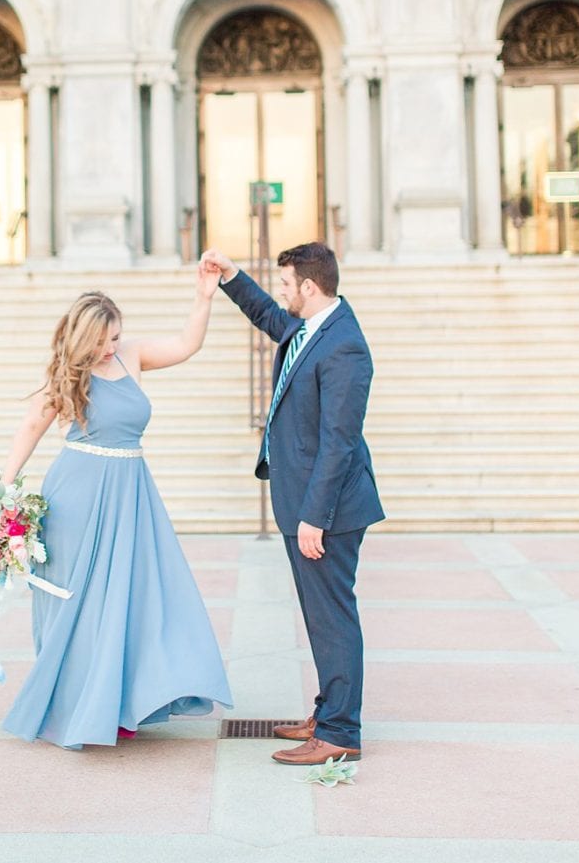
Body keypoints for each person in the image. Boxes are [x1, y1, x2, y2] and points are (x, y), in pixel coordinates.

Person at [0, 271, 233, 748]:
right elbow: (31, 426)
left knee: (138, 595)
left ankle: (122, 702)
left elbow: (187, 344)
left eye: (116, 337)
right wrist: (3, 491)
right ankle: (78, 707)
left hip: (132, 491)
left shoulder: (132, 355)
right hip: (76, 497)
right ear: (85, 338)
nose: (111, 347)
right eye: (103, 340)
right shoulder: (71, 372)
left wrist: (203, 296)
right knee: (80, 603)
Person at [201, 242, 384, 766]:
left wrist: (313, 517)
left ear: (309, 286)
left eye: (286, 285)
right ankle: (328, 711)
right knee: (320, 615)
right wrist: (233, 276)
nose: (281, 294)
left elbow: (339, 442)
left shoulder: (344, 346)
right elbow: (264, 313)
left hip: (329, 511)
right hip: (308, 503)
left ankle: (339, 733)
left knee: (332, 618)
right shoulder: (310, 328)